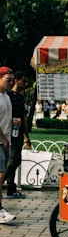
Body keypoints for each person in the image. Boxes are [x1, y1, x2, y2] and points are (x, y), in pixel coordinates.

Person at [5, 71, 31, 198]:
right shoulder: (8, 95)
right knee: (14, 159)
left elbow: (23, 118)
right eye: (23, 81)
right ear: (17, 81)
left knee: (14, 159)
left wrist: (27, 137)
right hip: (8, 131)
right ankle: (3, 181)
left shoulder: (20, 98)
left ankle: (11, 187)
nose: (25, 84)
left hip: (18, 132)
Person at [0, 67, 16, 223]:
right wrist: (4, 139)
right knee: (0, 175)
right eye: (7, 80)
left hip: (6, 141)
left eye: (12, 80)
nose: (11, 83)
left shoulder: (7, 96)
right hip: (1, 141)